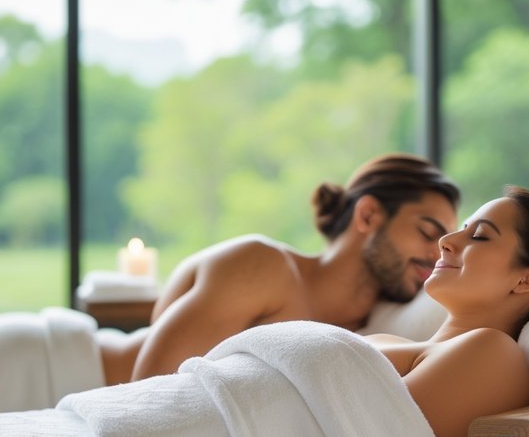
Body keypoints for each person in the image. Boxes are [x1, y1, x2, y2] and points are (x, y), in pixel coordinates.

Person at [99, 154, 461, 384]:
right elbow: (147, 393)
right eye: (428, 232)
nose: (438, 253)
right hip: (69, 371)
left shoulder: (375, 327)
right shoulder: (262, 267)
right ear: (367, 215)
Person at [366, 186, 529, 437]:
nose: (445, 240)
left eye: (478, 236)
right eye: (463, 228)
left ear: (528, 279)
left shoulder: (493, 353)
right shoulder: (392, 341)